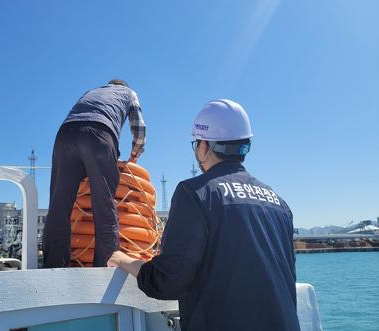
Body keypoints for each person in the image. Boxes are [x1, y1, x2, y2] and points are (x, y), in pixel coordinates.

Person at [108, 99, 300, 331]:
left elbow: (168, 281)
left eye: (196, 143)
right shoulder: (278, 203)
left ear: (205, 146)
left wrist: (122, 259)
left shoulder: (196, 193)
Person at [43, 79, 146, 268]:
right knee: (104, 205)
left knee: (59, 206)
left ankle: (54, 268)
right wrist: (135, 153)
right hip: (99, 135)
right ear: (124, 86)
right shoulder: (129, 93)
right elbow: (139, 129)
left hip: (65, 134)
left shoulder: (91, 91)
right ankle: (104, 268)